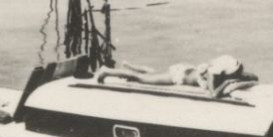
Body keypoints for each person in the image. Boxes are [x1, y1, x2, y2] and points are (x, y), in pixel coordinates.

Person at [97, 54, 250, 96]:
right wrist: (228, 84)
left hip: (185, 70)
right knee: (142, 79)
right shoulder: (214, 74)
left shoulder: (231, 65)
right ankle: (107, 71)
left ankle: (130, 66)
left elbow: (253, 77)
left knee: (154, 75)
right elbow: (213, 94)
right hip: (180, 76)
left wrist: (237, 80)